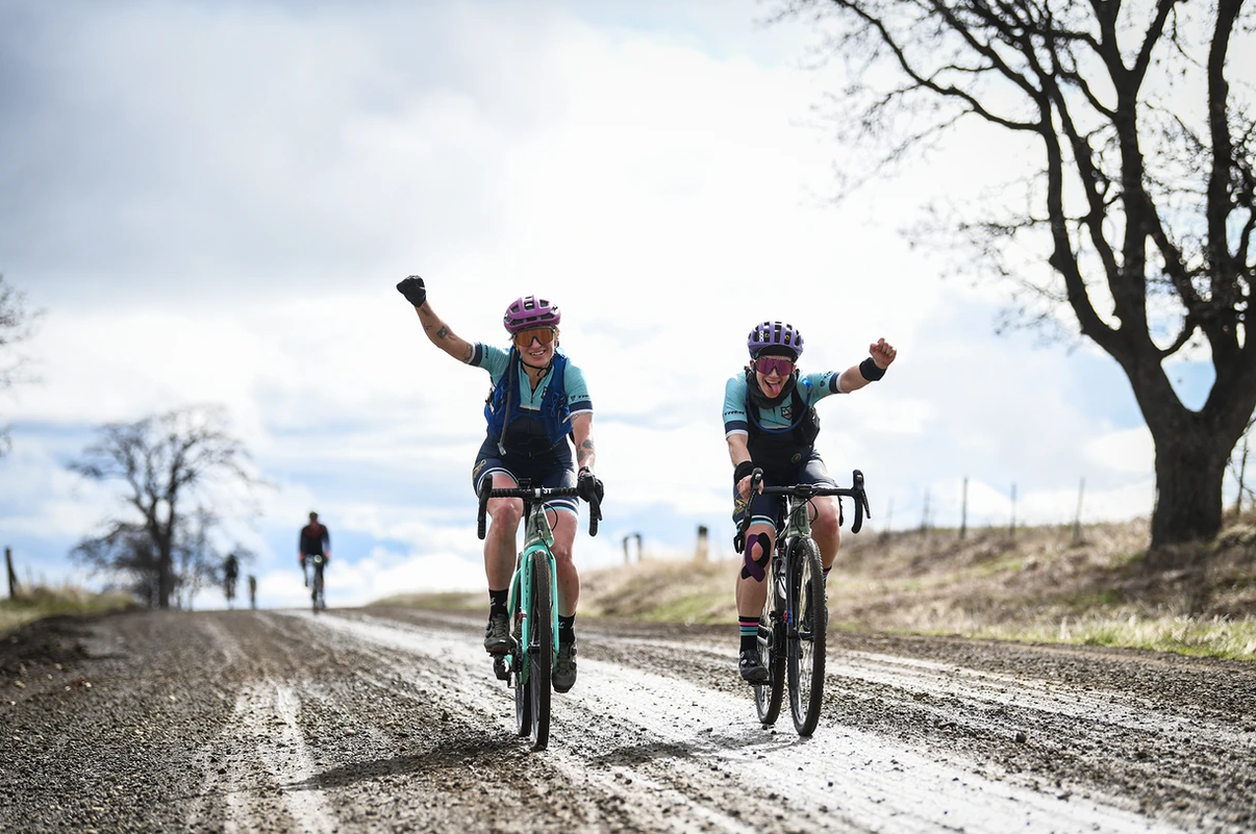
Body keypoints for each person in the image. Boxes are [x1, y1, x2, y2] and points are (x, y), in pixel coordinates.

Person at [396, 275, 603, 694]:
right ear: (515, 340)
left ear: (555, 336)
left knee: (562, 550)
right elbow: (448, 340)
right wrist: (421, 303)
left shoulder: (570, 375)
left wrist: (586, 472)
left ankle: (566, 641)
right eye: (526, 336)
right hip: (500, 457)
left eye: (543, 334)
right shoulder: (499, 362)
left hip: (553, 463)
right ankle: (497, 612)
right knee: (507, 511)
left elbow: (583, 432)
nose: (536, 344)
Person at [725, 321, 896, 683]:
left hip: (801, 463)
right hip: (757, 474)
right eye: (767, 364)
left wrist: (876, 366)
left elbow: (846, 381)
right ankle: (748, 646)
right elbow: (736, 440)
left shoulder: (803, 387)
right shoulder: (737, 387)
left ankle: (816, 591)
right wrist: (744, 472)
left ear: (795, 368)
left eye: (783, 366)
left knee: (829, 515)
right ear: (753, 363)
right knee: (758, 550)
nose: (774, 374)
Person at [299, 511, 331, 591]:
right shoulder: (305, 530)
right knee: (304, 563)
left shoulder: (322, 529)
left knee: (321, 568)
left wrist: (327, 552)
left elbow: (326, 542)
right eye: (312, 519)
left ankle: (321, 586)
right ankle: (307, 578)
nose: (313, 521)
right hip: (308, 552)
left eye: (315, 519)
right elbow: (302, 543)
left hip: (319, 552)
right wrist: (302, 554)